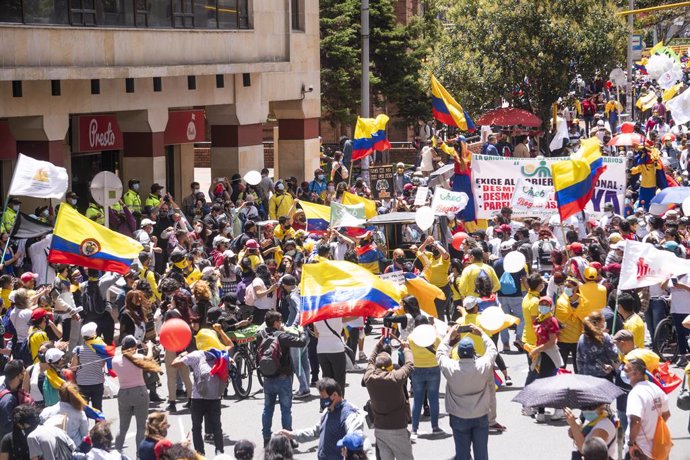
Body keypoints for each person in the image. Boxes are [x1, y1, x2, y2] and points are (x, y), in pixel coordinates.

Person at [437, 324, 496, 460]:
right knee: (481, 454)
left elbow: (440, 352)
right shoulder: (483, 365)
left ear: (458, 353)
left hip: (459, 416)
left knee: (462, 454)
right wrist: (481, 332)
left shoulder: (450, 367)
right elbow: (492, 349)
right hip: (480, 415)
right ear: (473, 351)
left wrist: (449, 334)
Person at [171, 327, 233, 456]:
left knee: (196, 428)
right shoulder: (221, 353)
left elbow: (174, 364)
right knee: (217, 427)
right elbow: (230, 344)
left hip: (198, 398)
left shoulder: (196, 355)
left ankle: (200, 454)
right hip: (215, 397)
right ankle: (220, 452)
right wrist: (220, 330)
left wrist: (182, 355)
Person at [279, 378, 369, 460]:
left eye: (323, 397)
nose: (321, 400)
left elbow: (355, 441)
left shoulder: (350, 415)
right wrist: (292, 435)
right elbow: (316, 431)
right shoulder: (328, 410)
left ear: (335, 395)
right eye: (320, 397)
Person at [257, 310, 308, 447]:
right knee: (286, 410)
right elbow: (301, 342)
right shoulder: (282, 336)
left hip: (267, 378)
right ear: (276, 322)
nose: (282, 323)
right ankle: (288, 439)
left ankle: (266, 438)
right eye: (280, 321)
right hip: (283, 378)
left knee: (268, 409)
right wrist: (301, 331)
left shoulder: (260, 335)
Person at [363, 336, 414, 460]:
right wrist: (406, 349)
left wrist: (378, 346)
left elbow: (370, 361)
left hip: (380, 428)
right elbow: (409, 365)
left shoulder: (369, 378)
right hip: (398, 427)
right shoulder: (395, 378)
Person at [112, 335, 160, 451]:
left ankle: (117, 453)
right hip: (139, 393)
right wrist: (149, 347)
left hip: (123, 393)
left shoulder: (115, 360)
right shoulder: (138, 357)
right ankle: (139, 455)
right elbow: (149, 357)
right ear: (134, 347)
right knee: (141, 427)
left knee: (122, 428)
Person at [624, 358, 671, 460]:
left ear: (636, 373)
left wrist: (631, 444)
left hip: (640, 451)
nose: (623, 374)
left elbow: (635, 421)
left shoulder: (635, 393)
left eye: (626, 370)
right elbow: (666, 414)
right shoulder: (655, 388)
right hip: (658, 447)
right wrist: (655, 429)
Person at [408, 316, 442, 439]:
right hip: (433, 368)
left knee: (417, 399)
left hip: (417, 369)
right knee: (433, 398)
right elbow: (440, 348)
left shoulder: (411, 338)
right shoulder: (435, 337)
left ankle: (414, 429)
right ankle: (435, 427)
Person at [70, 322, 108, 412]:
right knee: (98, 409)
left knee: (83, 410)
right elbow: (103, 364)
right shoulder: (101, 349)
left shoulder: (78, 350)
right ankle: (100, 426)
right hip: (97, 382)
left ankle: (84, 426)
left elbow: (73, 368)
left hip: (82, 384)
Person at [39, 382, 88, 447]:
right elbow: (84, 435)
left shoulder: (46, 412)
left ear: (58, 394)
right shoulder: (80, 413)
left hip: (52, 449)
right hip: (74, 449)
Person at [0, 361, 31, 439]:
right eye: (24, 372)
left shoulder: (13, 389)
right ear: (19, 375)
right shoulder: (8, 399)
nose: (25, 375)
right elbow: (7, 427)